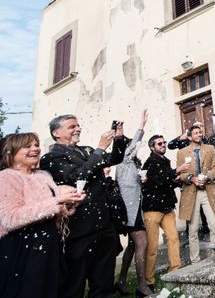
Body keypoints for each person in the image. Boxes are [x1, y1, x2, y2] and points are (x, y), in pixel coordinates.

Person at [40, 115, 127, 298]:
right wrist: (101, 148)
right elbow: (77, 176)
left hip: (104, 226)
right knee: (74, 286)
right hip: (79, 231)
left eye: (78, 125)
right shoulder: (51, 157)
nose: (78, 128)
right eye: (72, 126)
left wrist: (118, 139)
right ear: (56, 133)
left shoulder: (86, 150)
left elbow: (115, 159)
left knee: (103, 284)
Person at [0, 133, 85, 298]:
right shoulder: (6, 178)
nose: (35, 149)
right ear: (11, 152)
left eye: (36, 145)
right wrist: (57, 201)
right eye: (28, 146)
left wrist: (69, 203)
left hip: (49, 242)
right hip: (21, 246)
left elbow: (51, 209)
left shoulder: (43, 175)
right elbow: (10, 218)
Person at [114, 110, 154, 297]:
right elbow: (130, 147)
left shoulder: (131, 164)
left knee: (132, 245)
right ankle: (142, 286)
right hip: (130, 209)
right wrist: (141, 125)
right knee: (142, 243)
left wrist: (142, 181)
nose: (133, 147)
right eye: (129, 144)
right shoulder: (124, 158)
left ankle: (121, 281)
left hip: (135, 205)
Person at [141, 134, 190, 290]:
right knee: (152, 248)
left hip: (167, 208)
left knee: (173, 239)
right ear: (152, 147)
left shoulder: (164, 161)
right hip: (152, 210)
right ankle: (148, 281)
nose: (163, 145)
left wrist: (176, 181)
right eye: (159, 143)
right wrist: (178, 170)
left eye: (164, 142)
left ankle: (175, 271)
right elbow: (159, 180)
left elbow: (166, 182)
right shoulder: (150, 163)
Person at [177, 125, 215, 263]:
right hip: (191, 193)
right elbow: (181, 174)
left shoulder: (210, 148)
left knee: (213, 224)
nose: (199, 135)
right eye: (196, 133)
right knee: (193, 229)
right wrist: (192, 179)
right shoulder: (182, 153)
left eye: (200, 132)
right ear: (189, 137)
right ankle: (195, 260)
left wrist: (207, 177)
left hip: (207, 191)